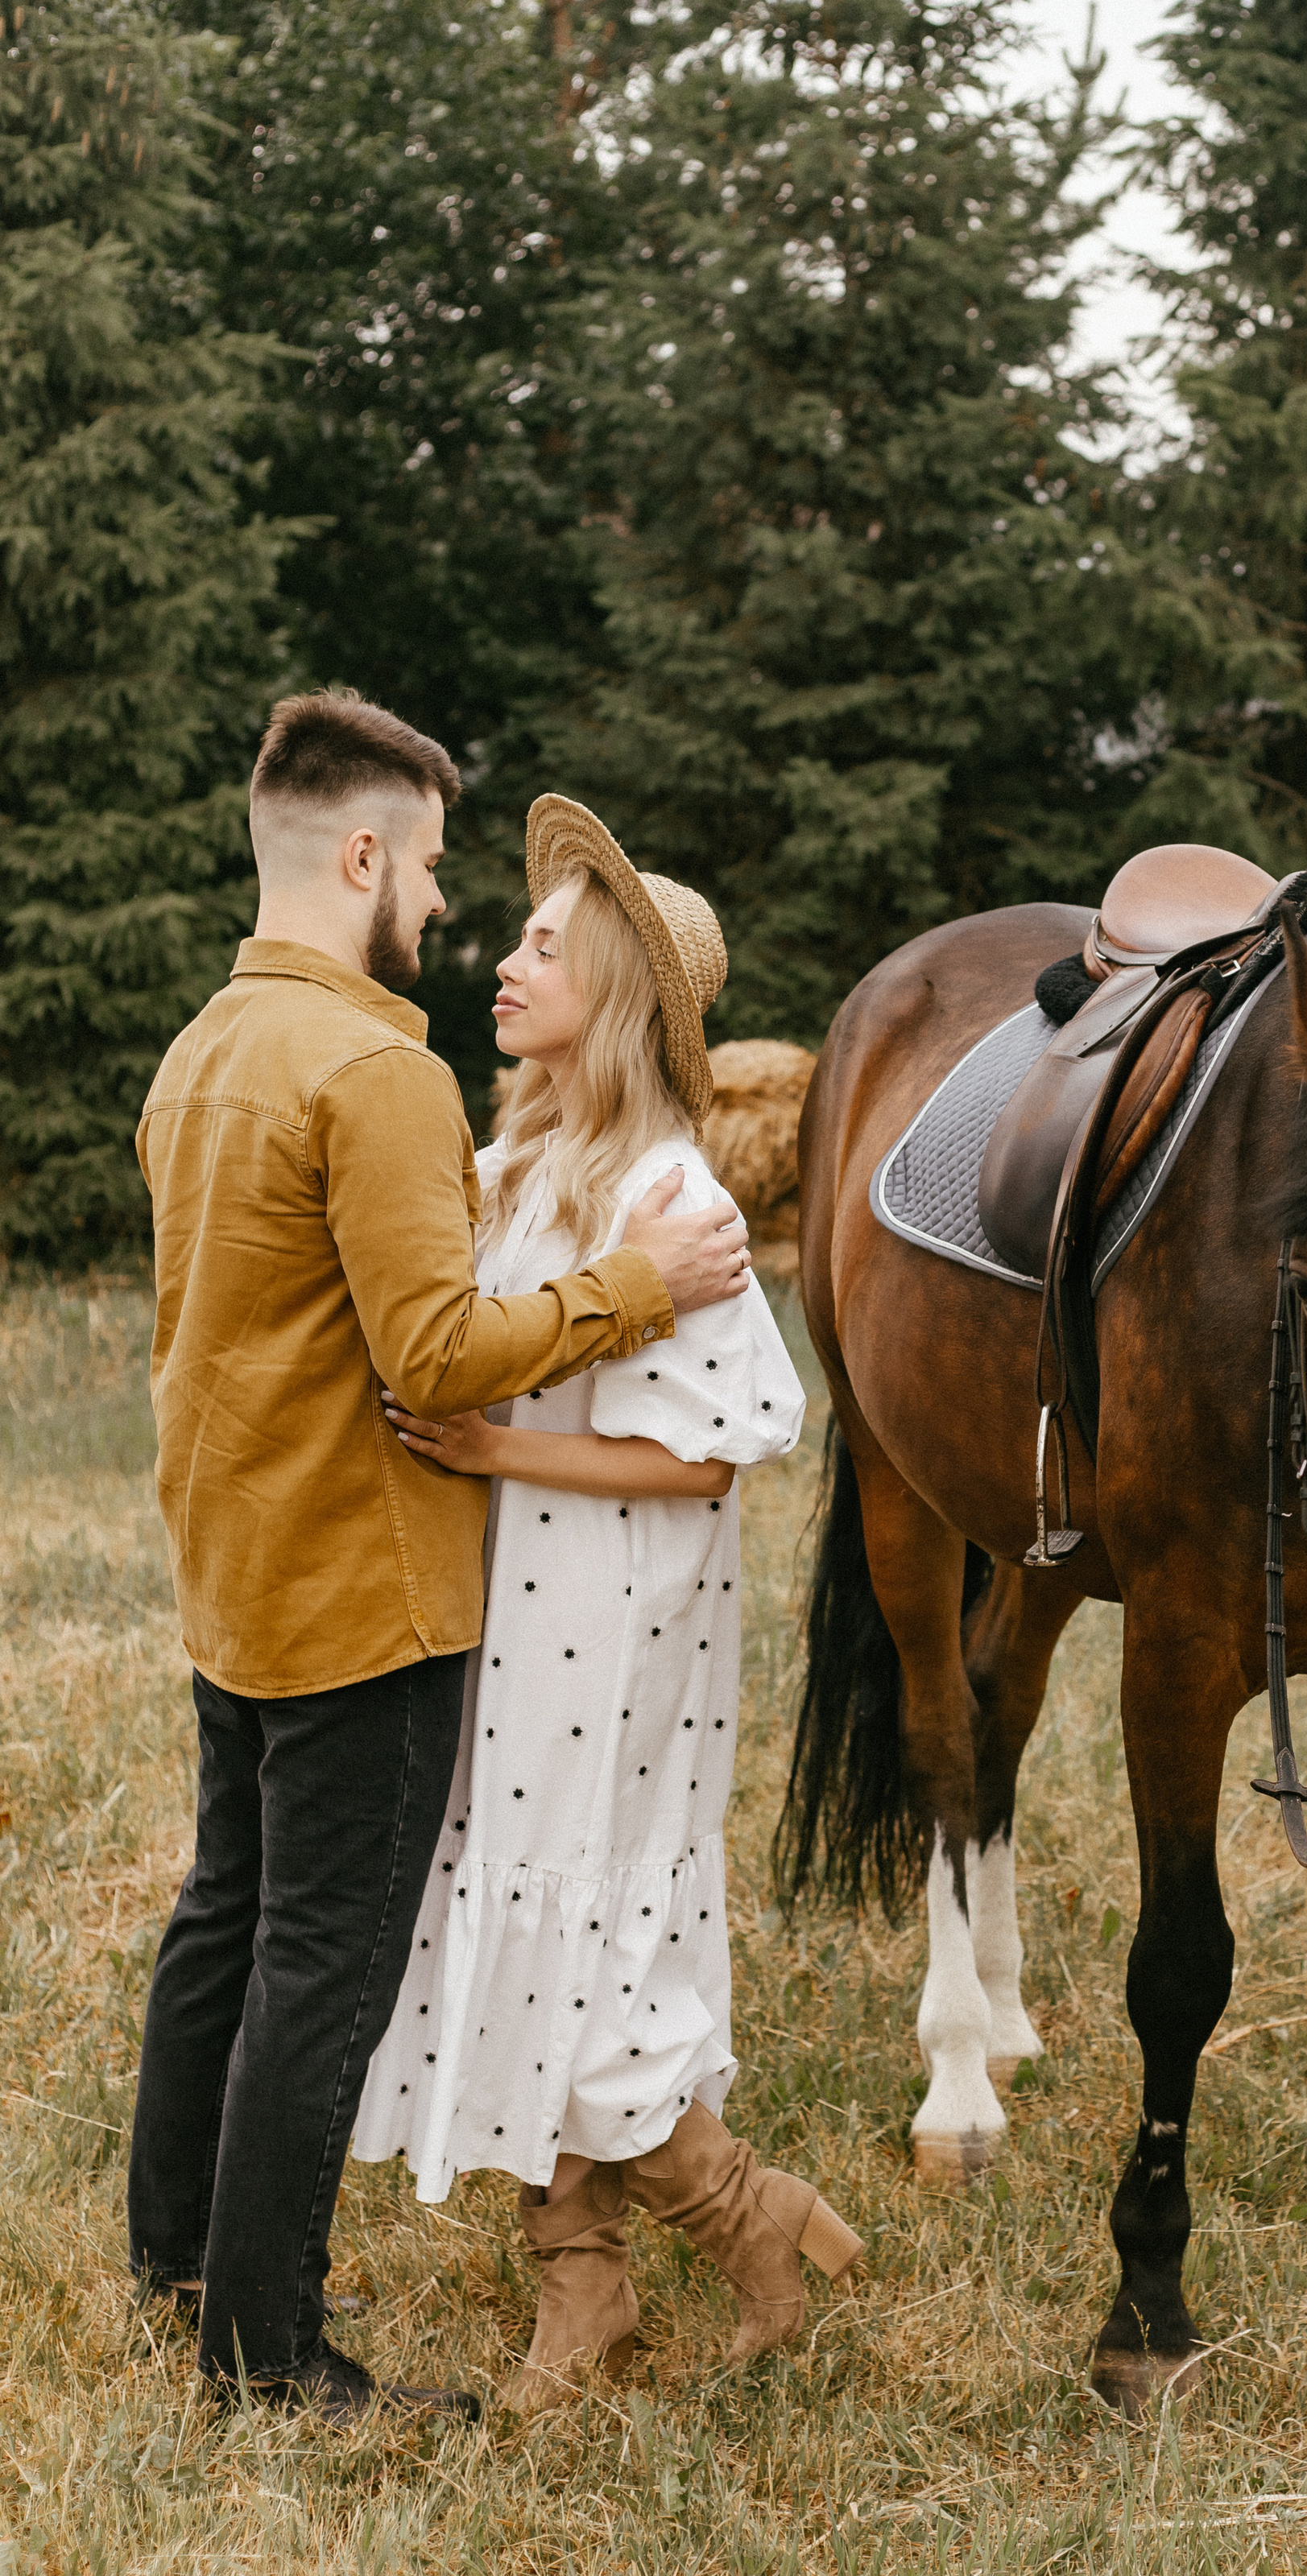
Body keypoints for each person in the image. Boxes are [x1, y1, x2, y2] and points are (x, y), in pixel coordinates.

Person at [126, 695, 755, 2426]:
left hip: (237, 1573)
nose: (441, 904)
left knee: (222, 1920)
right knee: (315, 1970)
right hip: (366, 1600)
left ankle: (169, 2258)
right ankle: (263, 2353)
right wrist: (644, 1289)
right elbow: (433, 1356)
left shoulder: (207, 1049)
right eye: (425, 865)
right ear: (358, 852)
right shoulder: (376, 1071)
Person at [353, 795, 859, 2416]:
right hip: (508, 1601)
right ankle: (586, 2293)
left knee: (585, 1922)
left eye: (542, 947)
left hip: (614, 1613)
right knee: (525, 1917)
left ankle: (741, 2216)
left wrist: (498, 1441)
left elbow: (706, 1461)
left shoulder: (674, 1199)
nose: (503, 960)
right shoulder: (515, 1162)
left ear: (622, 992)